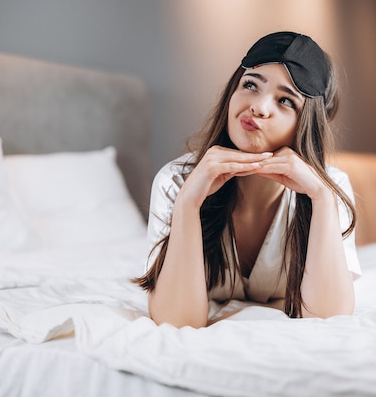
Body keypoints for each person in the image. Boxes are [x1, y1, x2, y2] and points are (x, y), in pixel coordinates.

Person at [133, 31, 360, 328]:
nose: (259, 107)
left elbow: (329, 320)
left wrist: (320, 197)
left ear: (306, 125)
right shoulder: (176, 181)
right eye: (251, 84)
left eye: (285, 101)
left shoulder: (329, 188)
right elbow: (178, 322)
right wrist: (188, 203)